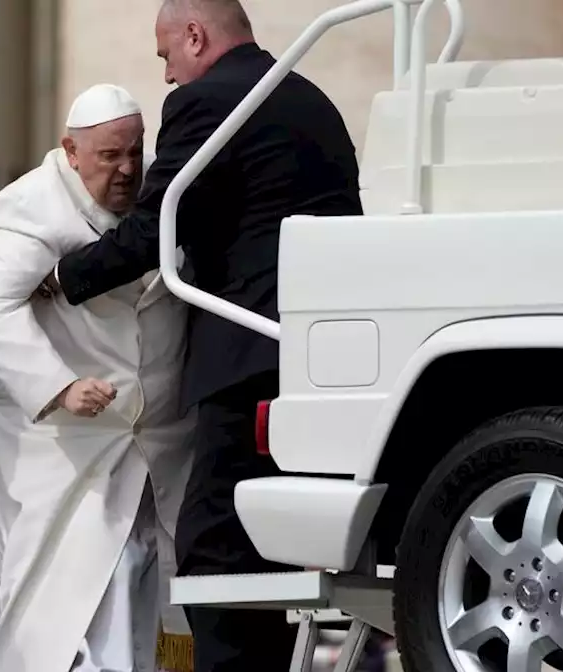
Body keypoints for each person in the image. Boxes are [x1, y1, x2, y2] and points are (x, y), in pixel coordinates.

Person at [47, 1, 362, 669]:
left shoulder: (208, 100)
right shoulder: (310, 100)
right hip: (315, 357)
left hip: (247, 360)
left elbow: (155, 227)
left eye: (166, 55)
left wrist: (60, 277)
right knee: (265, 556)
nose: (166, 75)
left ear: (195, 35)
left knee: (212, 548)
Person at [0, 83, 194, 672]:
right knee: (75, 600)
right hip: (67, 450)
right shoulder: (30, 207)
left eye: (134, 152)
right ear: (70, 150)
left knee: (152, 588)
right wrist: (60, 386)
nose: (126, 169)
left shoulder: (162, 197)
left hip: (156, 444)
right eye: (109, 156)